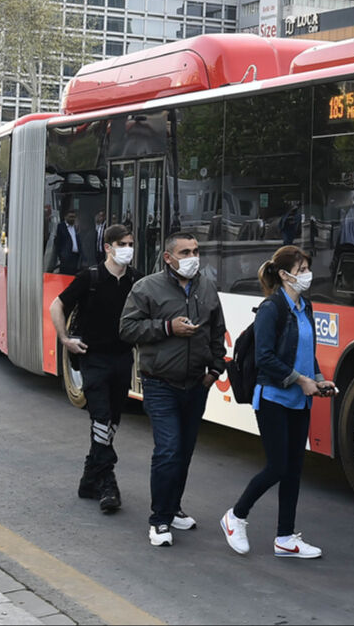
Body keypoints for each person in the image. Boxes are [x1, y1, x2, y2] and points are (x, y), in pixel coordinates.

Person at [221, 246, 335, 559]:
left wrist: (318, 377)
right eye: (300, 271)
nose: (307, 276)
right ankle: (235, 516)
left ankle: (286, 537)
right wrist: (301, 380)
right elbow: (265, 358)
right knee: (277, 466)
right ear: (284, 275)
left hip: (300, 400)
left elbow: (306, 350)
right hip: (273, 396)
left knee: (295, 468)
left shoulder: (306, 306)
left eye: (307, 269)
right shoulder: (272, 308)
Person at [119, 232, 227, 548]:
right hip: (160, 383)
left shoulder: (206, 287)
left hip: (196, 384)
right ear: (169, 257)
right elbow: (126, 329)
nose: (193, 257)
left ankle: (174, 507)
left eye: (195, 250)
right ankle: (159, 520)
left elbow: (217, 330)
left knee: (184, 451)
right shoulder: (146, 288)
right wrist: (168, 327)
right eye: (185, 252)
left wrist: (216, 370)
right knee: (168, 449)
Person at [47, 224, 140, 514]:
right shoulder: (90, 277)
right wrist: (65, 340)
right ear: (108, 247)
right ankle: (107, 482)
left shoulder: (136, 280)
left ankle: (90, 478)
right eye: (122, 244)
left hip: (123, 359)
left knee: (112, 420)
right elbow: (56, 306)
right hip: (94, 359)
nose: (128, 249)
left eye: (130, 243)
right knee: (100, 418)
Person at [54, 210, 82, 274]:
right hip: (66, 257)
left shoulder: (76, 226)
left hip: (76, 257)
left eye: (74, 217)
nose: (72, 218)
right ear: (65, 217)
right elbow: (57, 242)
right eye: (70, 217)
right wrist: (61, 255)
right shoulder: (61, 227)